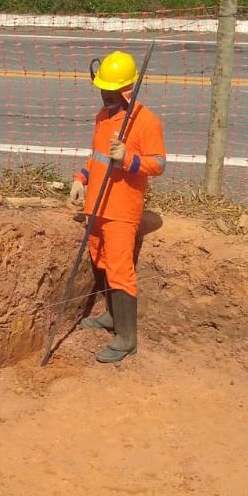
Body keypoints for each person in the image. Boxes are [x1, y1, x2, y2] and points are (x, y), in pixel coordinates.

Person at [68, 49, 166, 363]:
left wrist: (128, 159)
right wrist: (81, 178)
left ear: (125, 90)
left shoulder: (146, 122)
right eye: (101, 90)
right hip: (96, 204)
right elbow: (95, 155)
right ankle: (111, 316)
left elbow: (158, 164)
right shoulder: (103, 117)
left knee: (121, 270)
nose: (103, 97)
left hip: (121, 210)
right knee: (101, 258)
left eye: (109, 92)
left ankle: (126, 338)